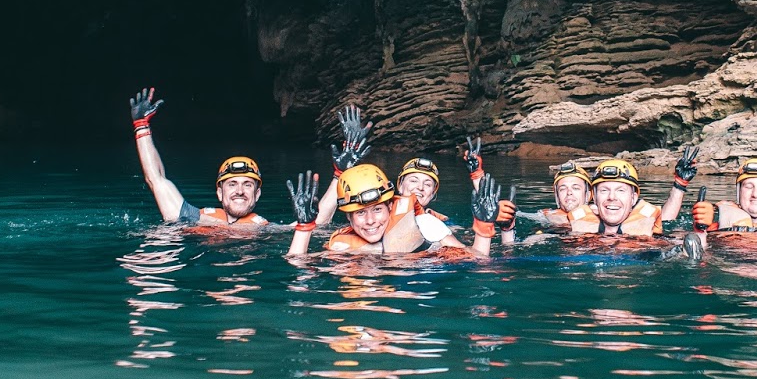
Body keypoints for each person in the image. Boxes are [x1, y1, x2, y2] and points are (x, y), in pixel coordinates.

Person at [286, 163, 497, 257]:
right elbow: (298, 265)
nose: (370, 221)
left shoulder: (425, 224)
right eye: (360, 213)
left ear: (390, 206)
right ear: (349, 218)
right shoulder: (342, 244)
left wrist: (484, 227)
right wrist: (303, 229)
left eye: (377, 210)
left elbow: (477, 259)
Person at [128, 87, 267, 228]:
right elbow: (156, 179)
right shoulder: (194, 219)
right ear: (219, 192)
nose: (239, 191)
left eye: (247, 185)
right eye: (232, 184)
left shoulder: (270, 231)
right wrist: (141, 125)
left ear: (257, 193)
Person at [555, 154, 690, 236]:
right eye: (604, 190)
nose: (612, 197)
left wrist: (702, 231)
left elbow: (669, 224)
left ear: (633, 198)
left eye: (620, 190)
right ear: (594, 198)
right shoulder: (572, 226)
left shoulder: (651, 228)